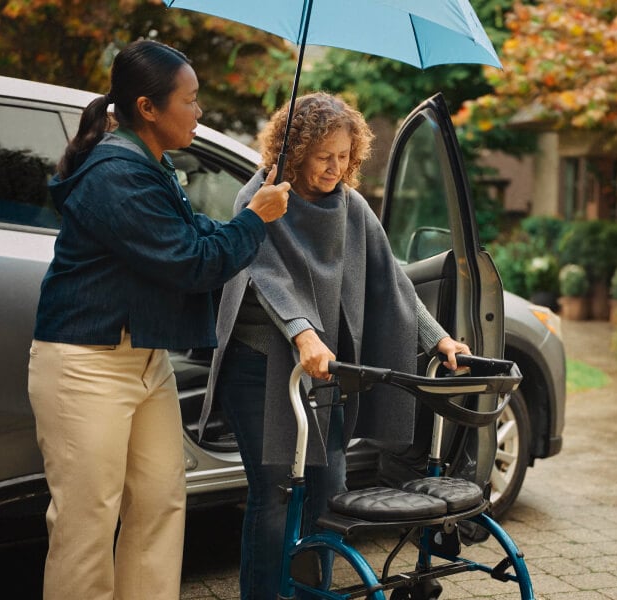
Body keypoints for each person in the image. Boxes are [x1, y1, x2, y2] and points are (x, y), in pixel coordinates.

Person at [27, 39, 290, 600]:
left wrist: (246, 217)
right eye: (190, 101)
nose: (199, 113)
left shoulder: (155, 167)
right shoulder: (114, 173)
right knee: (86, 525)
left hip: (145, 360)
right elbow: (190, 262)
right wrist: (256, 222)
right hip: (86, 364)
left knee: (159, 505)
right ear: (148, 108)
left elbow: (195, 235)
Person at [199, 92, 470, 599]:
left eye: (345, 156)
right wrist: (304, 334)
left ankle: (312, 595)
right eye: (324, 155)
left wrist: (439, 340)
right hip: (259, 366)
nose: (335, 167)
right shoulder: (262, 195)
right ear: (294, 148)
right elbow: (266, 276)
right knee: (278, 494)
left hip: (322, 372)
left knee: (329, 495)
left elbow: (393, 283)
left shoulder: (351, 206)